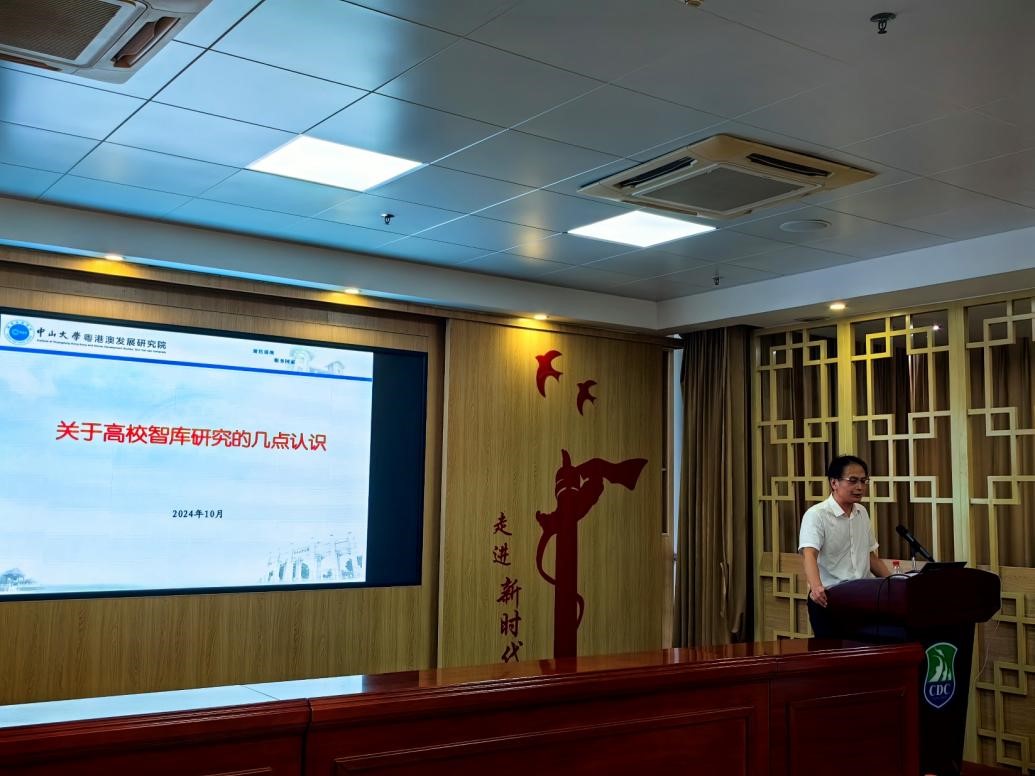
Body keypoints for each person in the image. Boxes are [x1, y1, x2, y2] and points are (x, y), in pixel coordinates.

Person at [798, 455, 889, 638]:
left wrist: (893, 582)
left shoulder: (862, 512)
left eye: (863, 481)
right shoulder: (817, 515)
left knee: (866, 649)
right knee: (833, 652)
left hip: (863, 597)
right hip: (830, 598)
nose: (860, 487)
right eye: (853, 481)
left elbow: (869, 556)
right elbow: (809, 554)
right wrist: (816, 587)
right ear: (834, 483)